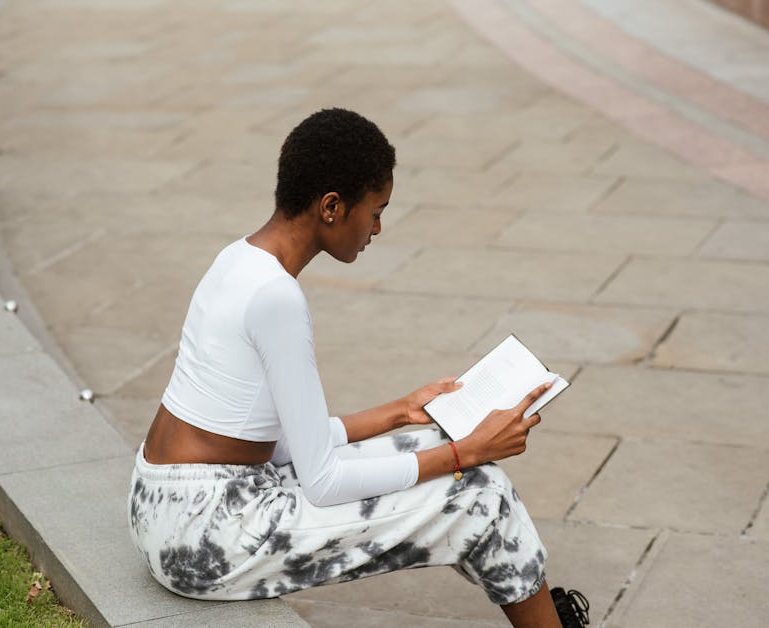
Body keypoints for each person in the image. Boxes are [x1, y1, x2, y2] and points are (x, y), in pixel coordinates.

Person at [128, 108, 589, 628]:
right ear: (331, 207)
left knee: (437, 449)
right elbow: (322, 481)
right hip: (205, 536)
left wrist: (398, 412)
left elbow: (265, 443)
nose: (377, 227)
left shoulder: (238, 260)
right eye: (375, 210)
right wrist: (466, 452)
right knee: (480, 492)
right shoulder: (276, 299)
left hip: (167, 503)